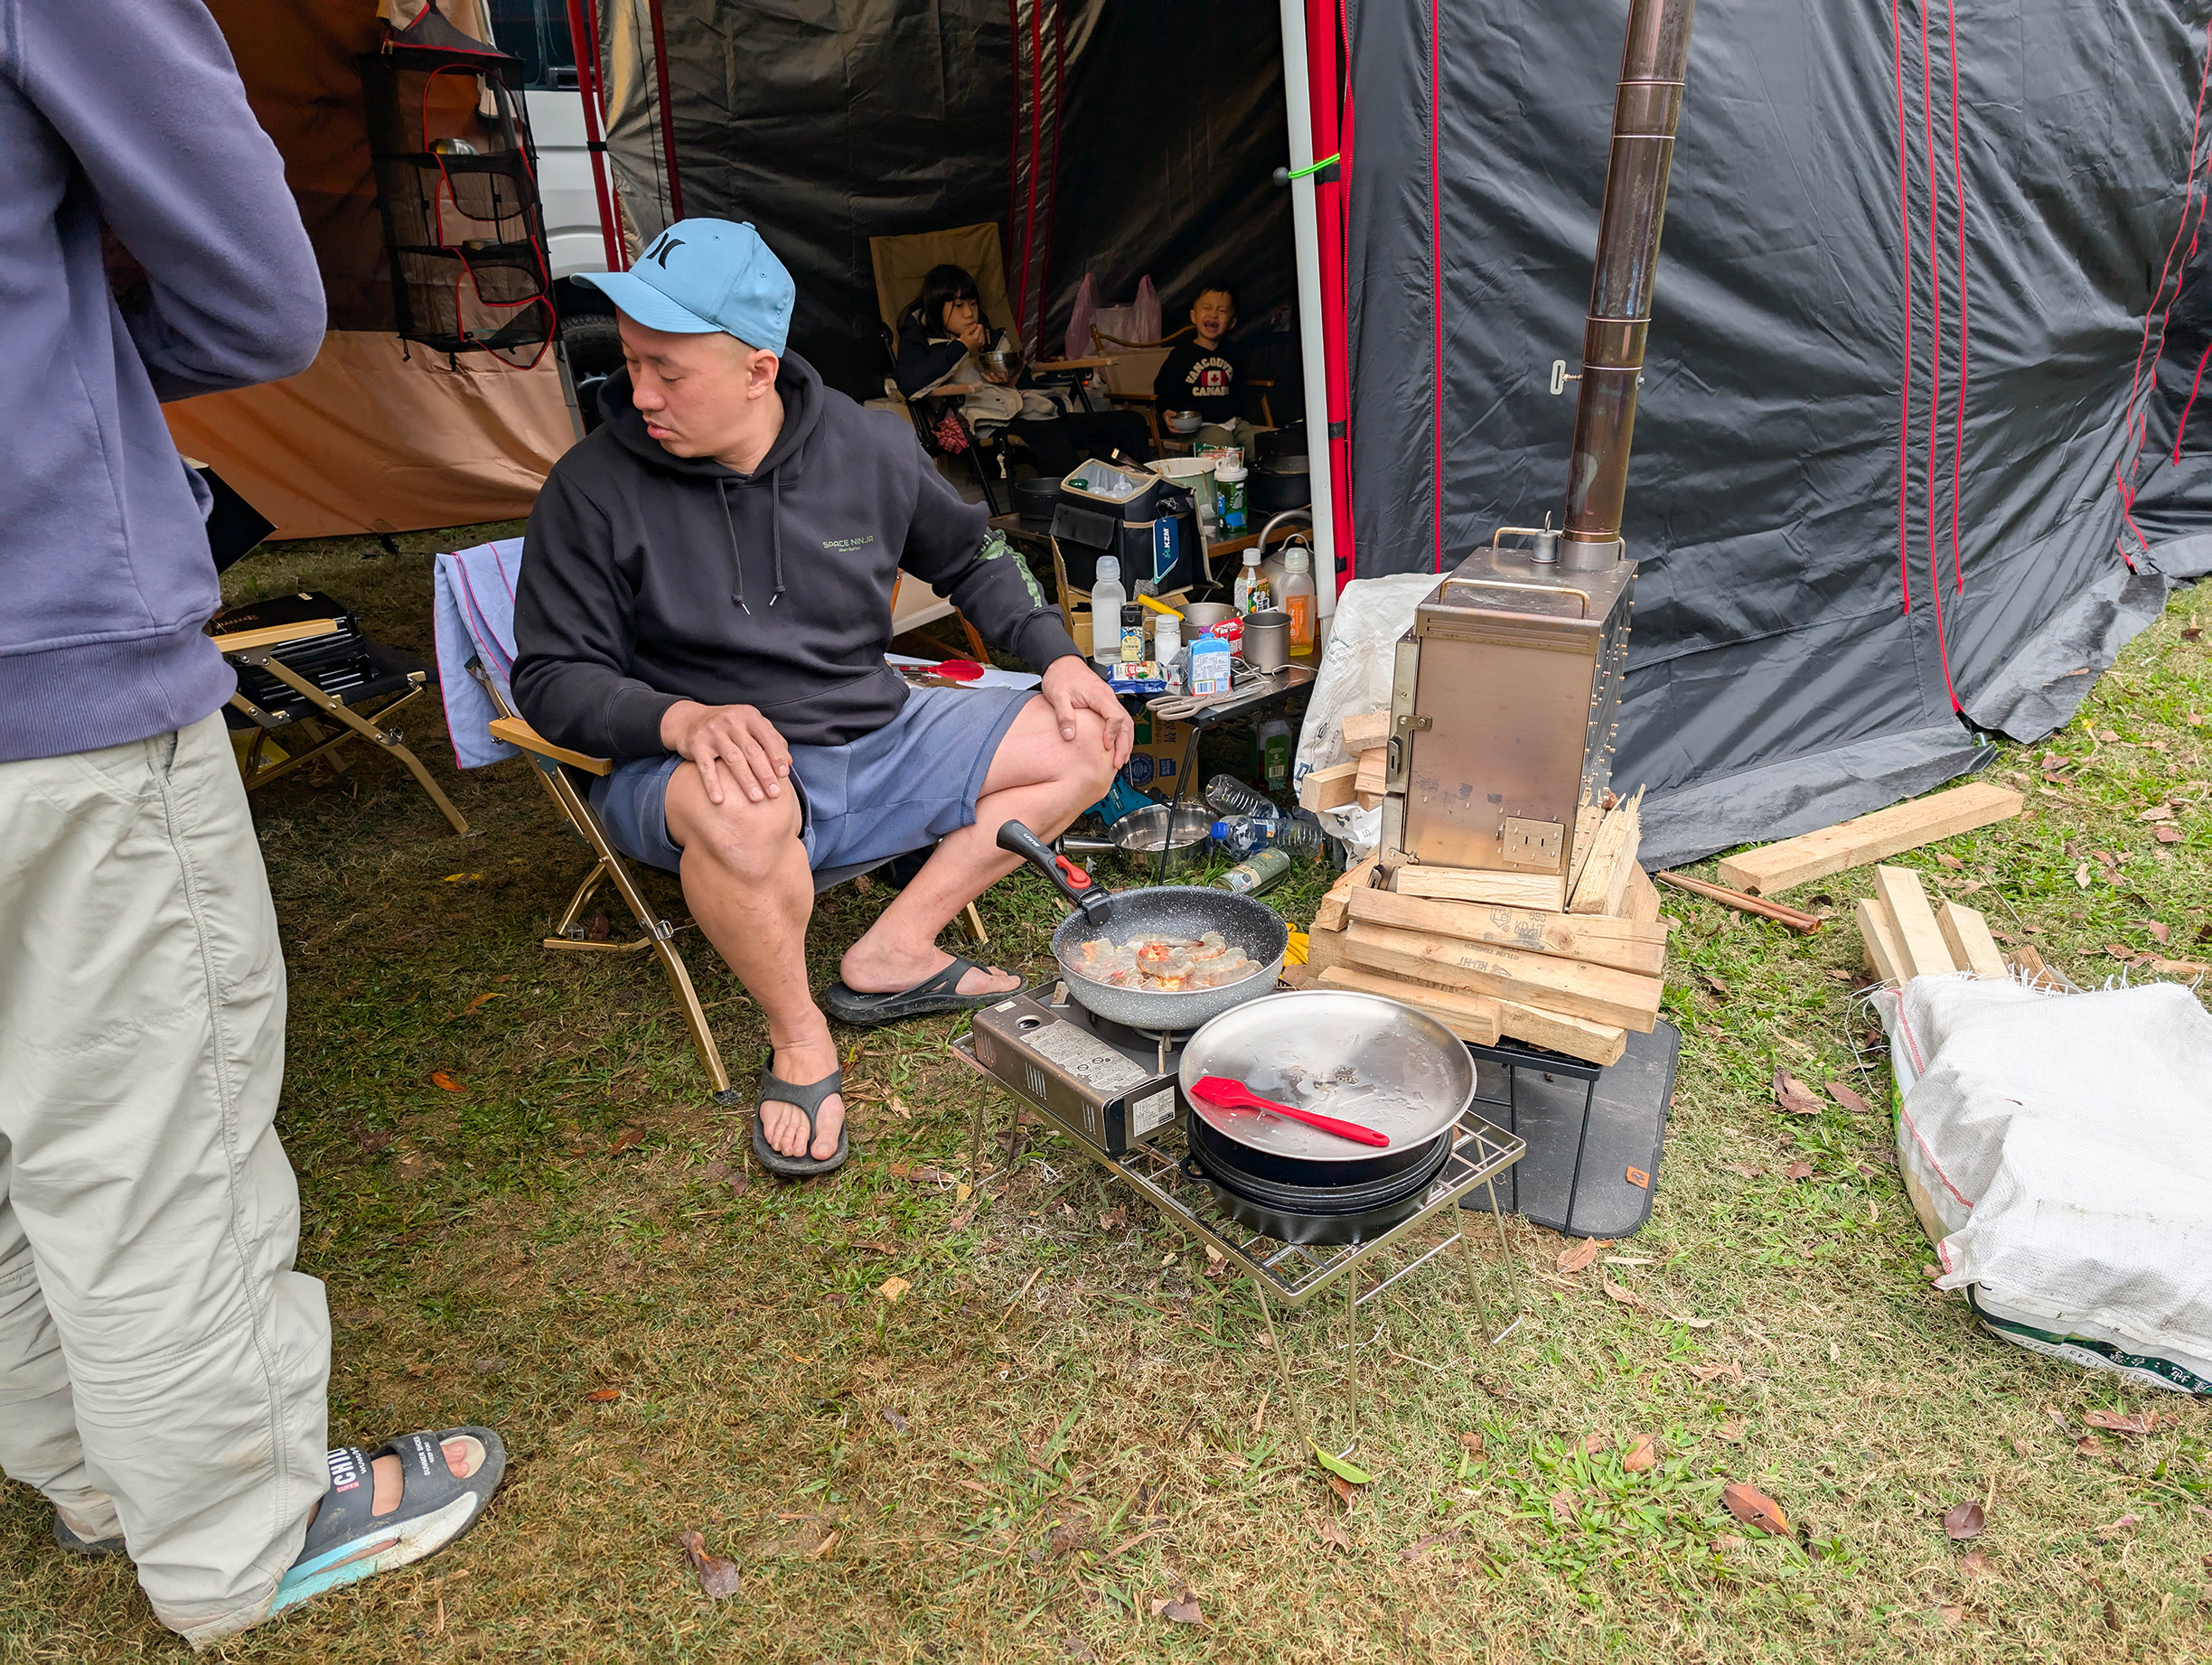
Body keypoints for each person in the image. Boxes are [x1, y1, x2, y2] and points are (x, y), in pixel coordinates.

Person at [0, 0, 503, 1649]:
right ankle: (233, 1523)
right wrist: (71, 353)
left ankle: (90, 1464)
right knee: (147, 1134)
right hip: (41, 647)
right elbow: (254, 289)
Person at [513, 220, 1131, 1180]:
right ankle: (800, 1037)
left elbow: (971, 553)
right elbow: (549, 677)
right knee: (747, 800)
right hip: (694, 766)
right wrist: (676, 719)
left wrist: (1054, 656)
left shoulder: (865, 444)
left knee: (1084, 738)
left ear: (760, 370)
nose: (638, 396)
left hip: (873, 726)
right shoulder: (591, 488)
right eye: (631, 364)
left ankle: (894, 948)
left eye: (668, 372)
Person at [894, 263, 1151, 476]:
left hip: (1032, 414)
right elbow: (910, 384)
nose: (970, 313)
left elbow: (1024, 384)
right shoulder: (922, 343)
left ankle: (1130, 496)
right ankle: (1083, 508)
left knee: (1129, 423)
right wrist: (962, 347)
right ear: (937, 308)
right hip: (992, 424)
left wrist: (1014, 378)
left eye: (972, 304)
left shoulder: (990, 337)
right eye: (958, 306)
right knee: (1051, 438)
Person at [1154, 281, 1262, 455]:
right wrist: (1167, 411)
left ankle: (1256, 482)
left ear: (1232, 323)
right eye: (1207, 308)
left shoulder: (1232, 352)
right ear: (1193, 316)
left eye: (1222, 311)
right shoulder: (1181, 354)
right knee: (1222, 442)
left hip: (1231, 421)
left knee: (1258, 442)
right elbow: (1163, 387)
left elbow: (1239, 388)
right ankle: (1225, 482)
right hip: (1197, 427)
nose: (1213, 315)